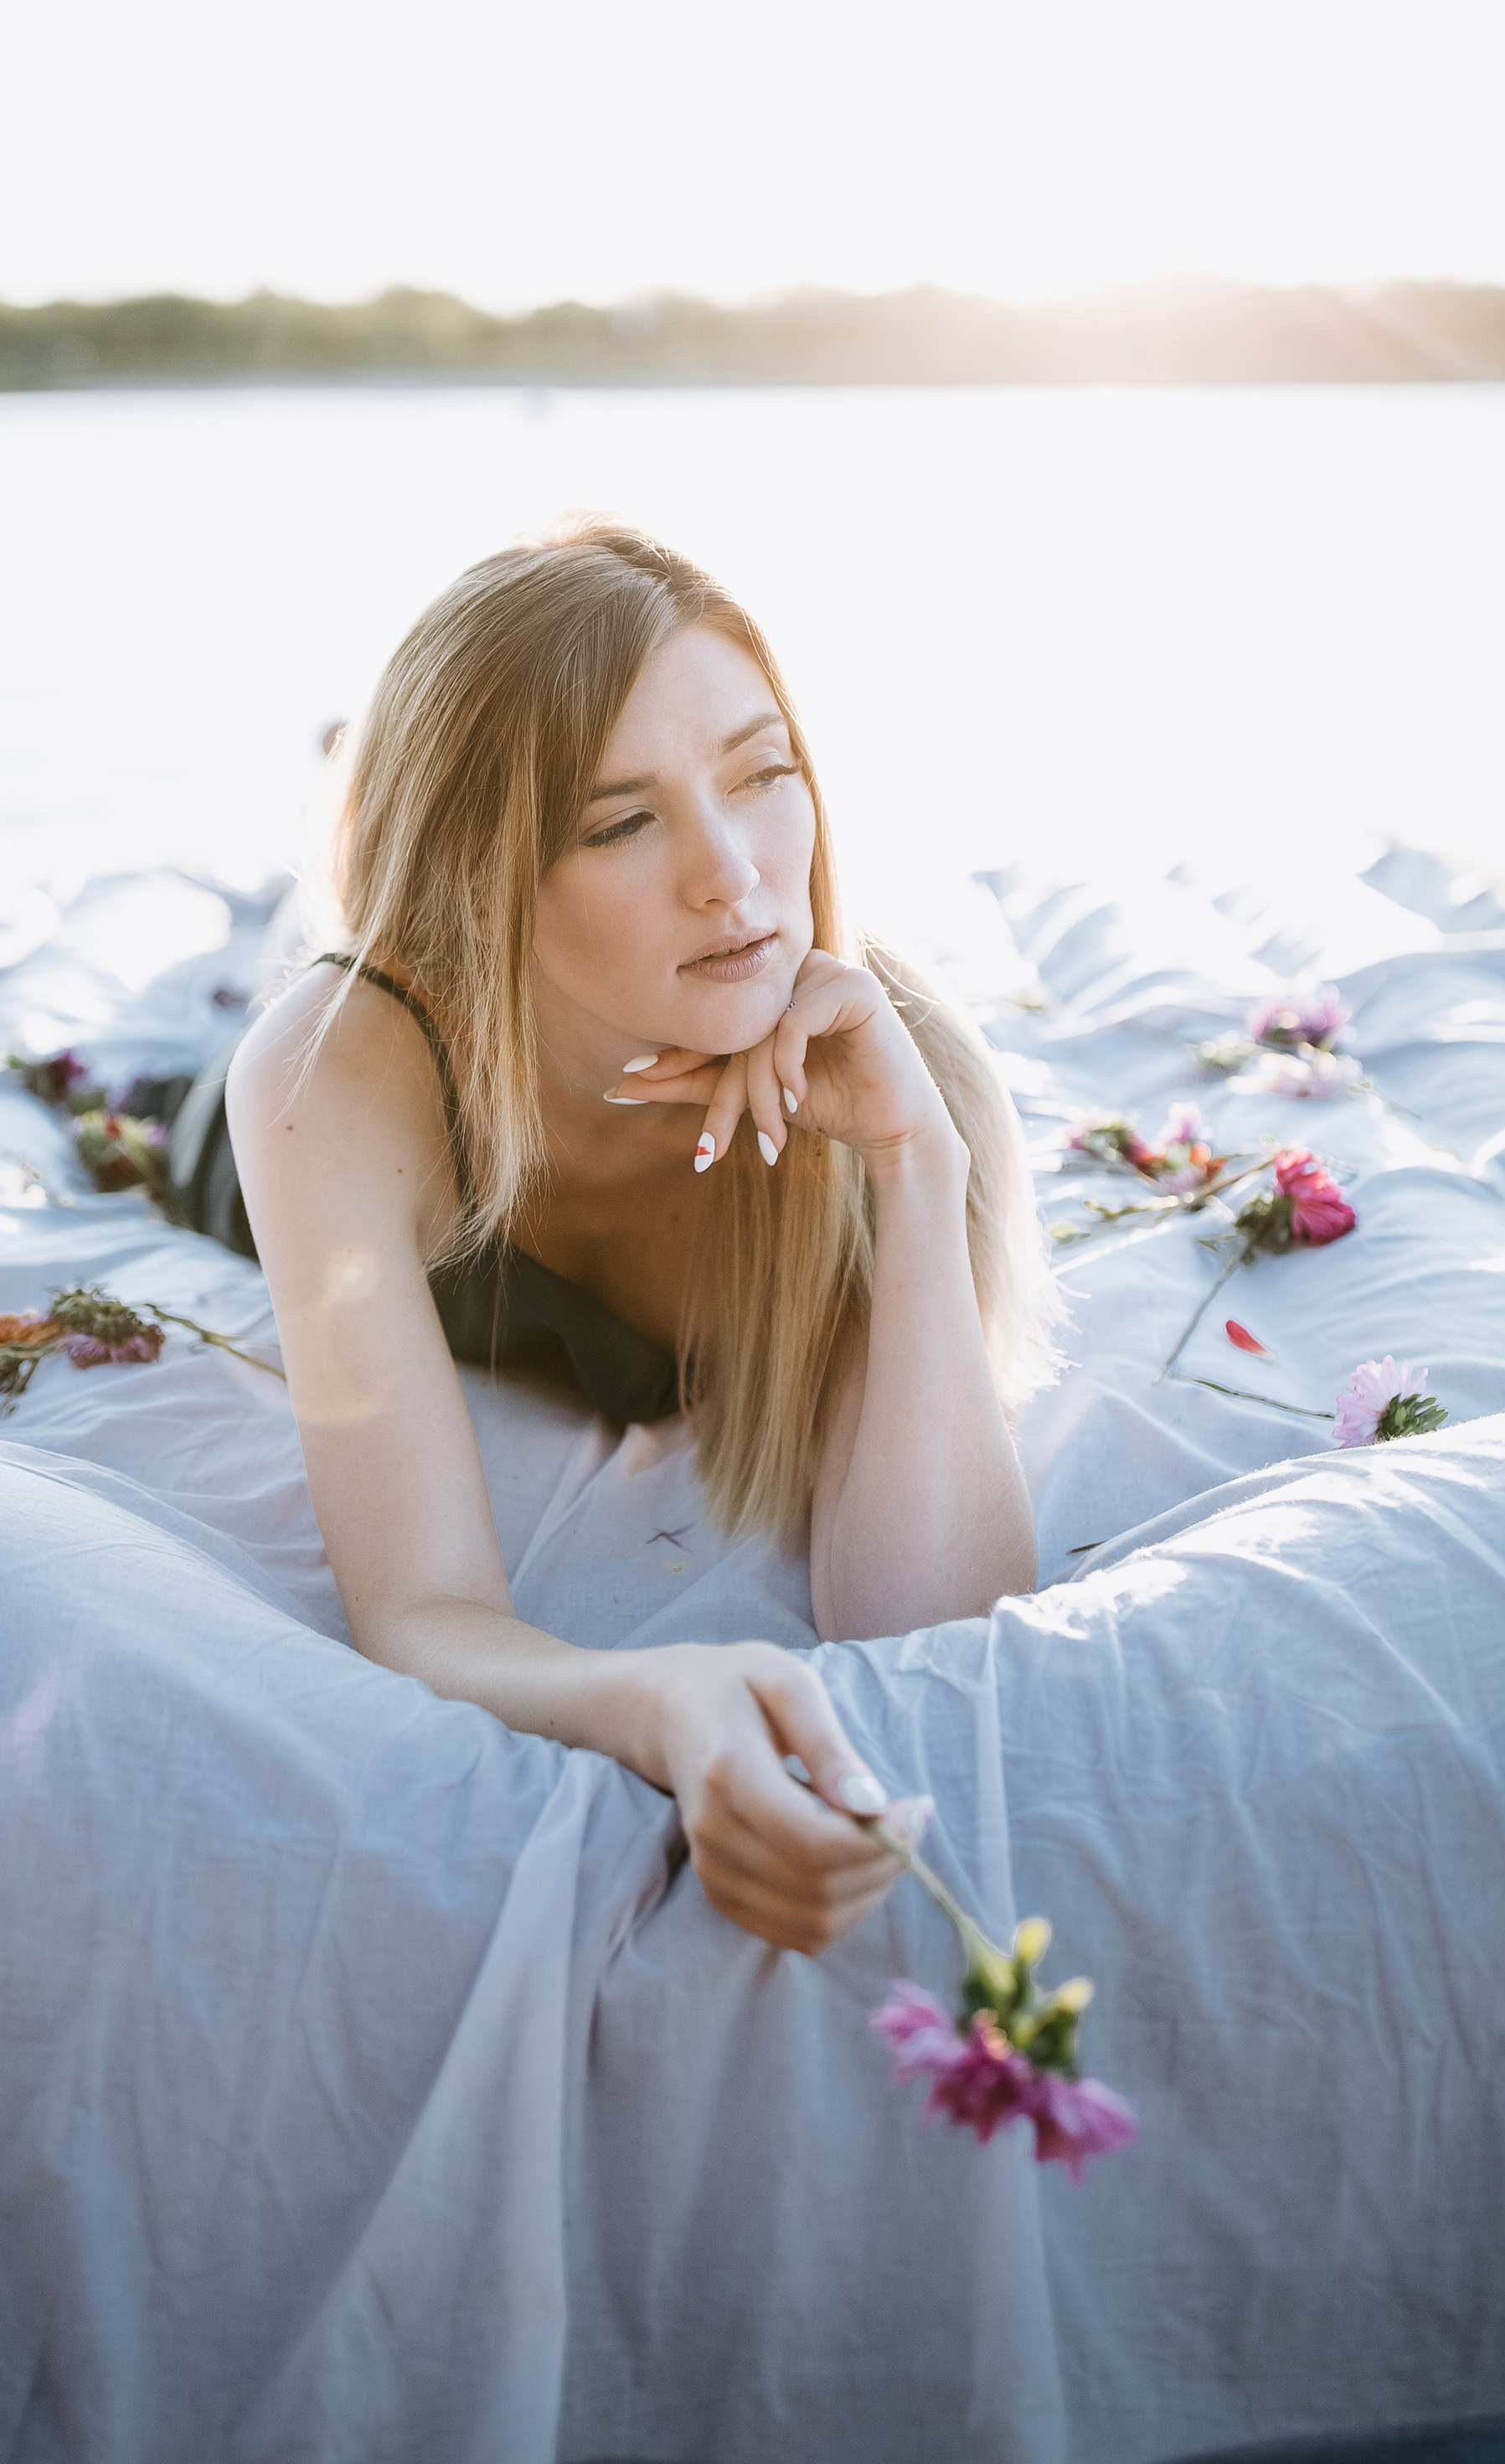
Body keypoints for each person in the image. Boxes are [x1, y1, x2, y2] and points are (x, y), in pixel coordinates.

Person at [224, 520, 1054, 1957]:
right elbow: (422, 1608)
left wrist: (919, 1172)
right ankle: (337, 792)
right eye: (621, 822)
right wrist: (657, 1699)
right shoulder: (336, 1072)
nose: (734, 874)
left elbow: (929, 1621)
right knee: (228, 1004)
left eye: (761, 773)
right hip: (321, 1119)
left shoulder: (894, 1068)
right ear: (482, 880)